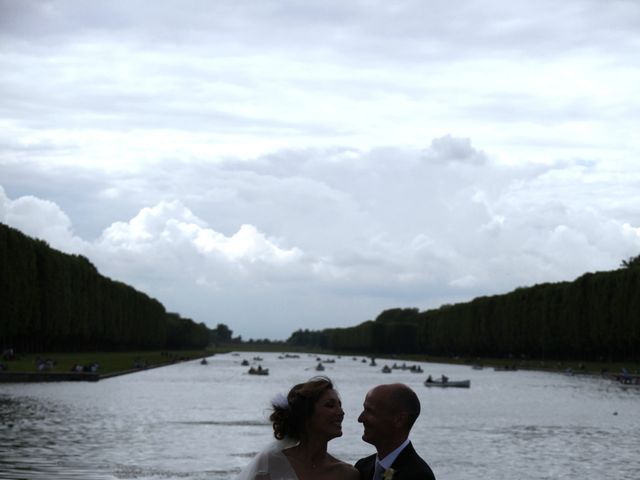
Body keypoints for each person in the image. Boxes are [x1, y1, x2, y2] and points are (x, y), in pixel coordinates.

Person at [235, 376, 358, 480]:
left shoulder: (347, 474)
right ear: (306, 414)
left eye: (340, 405)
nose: (341, 412)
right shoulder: (271, 463)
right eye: (330, 405)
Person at [355, 383, 436, 480]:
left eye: (370, 411)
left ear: (399, 420)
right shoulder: (362, 467)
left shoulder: (419, 476)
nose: (360, 418)